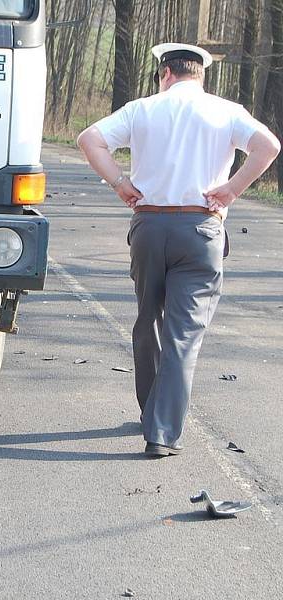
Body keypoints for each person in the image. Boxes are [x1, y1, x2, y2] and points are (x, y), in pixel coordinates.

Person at [77, 43, 280, 458]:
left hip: (149, 224)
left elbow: (89, 139)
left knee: (148, 318)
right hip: (200, 227)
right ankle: (162, 431)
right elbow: (269, 147)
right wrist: (231, 189)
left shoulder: (142, 108)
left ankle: (150, 408)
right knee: (183, 334)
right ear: (200, 75)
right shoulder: (226, 111)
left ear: (164, 73)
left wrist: (119, 182)